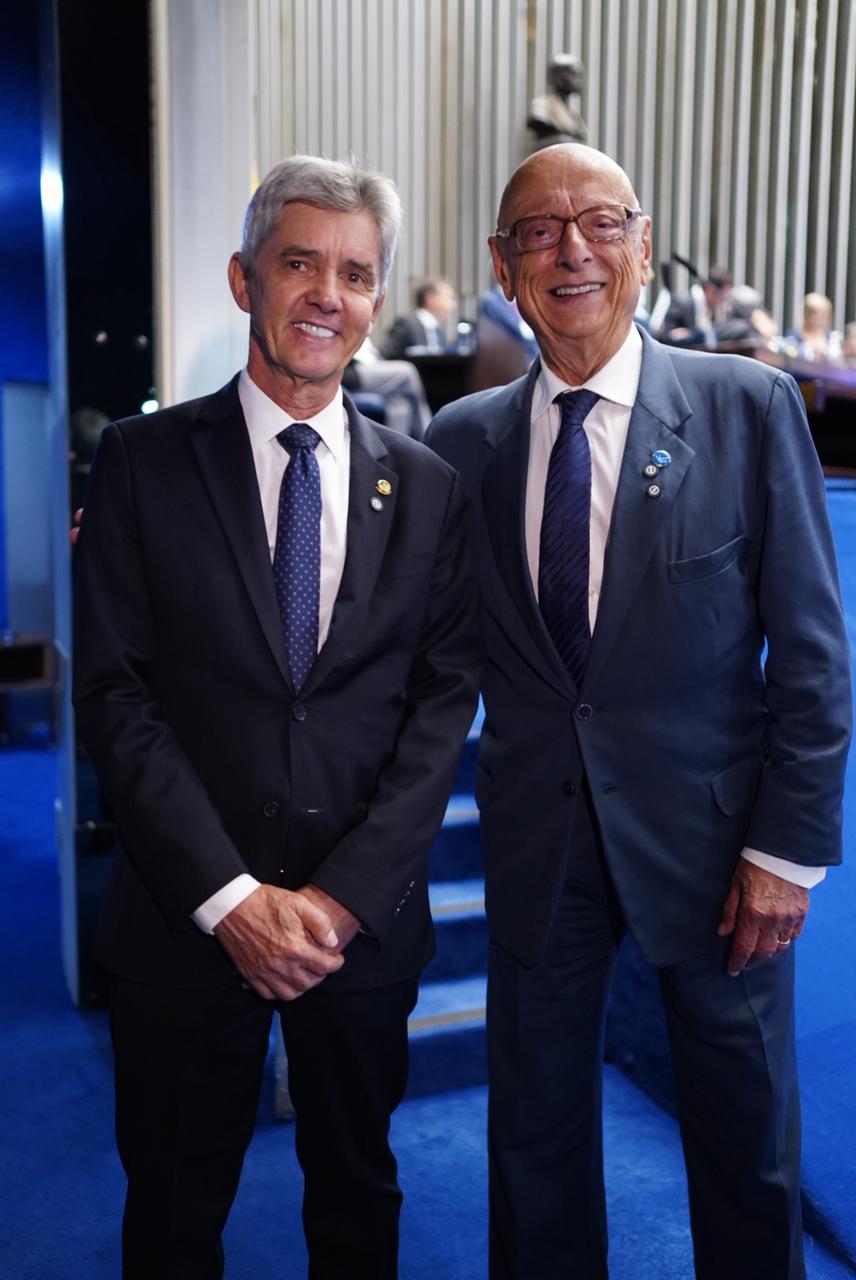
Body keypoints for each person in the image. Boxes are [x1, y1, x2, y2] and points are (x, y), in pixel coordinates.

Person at [427, 143, 851, 1280]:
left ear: (644, 245)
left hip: (721, 856)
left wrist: (785, 853)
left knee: (747, 1146)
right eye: (539, 232)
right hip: (538, 842)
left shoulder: (748, 406)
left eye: (600, 223)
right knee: (532, 1143)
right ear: (503, 266)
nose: (572, 250)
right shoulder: (459, 442)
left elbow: (814, 656)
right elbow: (395, 617)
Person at [72, 154, 481, 1280]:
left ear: (377, 297)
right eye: (300, 263)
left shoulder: (431, 489)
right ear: (243, 277)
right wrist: (232, 900)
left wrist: (341, 902)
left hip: (361, 929)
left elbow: (440, 709)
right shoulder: (141, 463)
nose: (326, 296)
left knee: (359, 1198)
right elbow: (113, 693)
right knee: (172, 1210)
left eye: (355, 273)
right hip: (184, 918)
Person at [657, 264, 733, 345]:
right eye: (722, 298)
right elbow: (664, 336)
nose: (722, 303)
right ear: (709, 289)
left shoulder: (709, 309)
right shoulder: (681, 304)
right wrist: (689, 335)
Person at [381, 277, 458, 357]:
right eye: (448, 297)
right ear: (430, 298)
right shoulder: (406, 324)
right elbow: (386, 354)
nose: (453, 305)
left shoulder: (439, 332)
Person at [527, 53, 588, 151]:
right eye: (573, 74)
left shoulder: (573, 116)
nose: (578, 80)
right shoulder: (542, 107)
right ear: (558, 77)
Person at [787, 291, 843, 362]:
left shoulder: (834, 337)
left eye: (824, 315)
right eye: (816, 316)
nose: (820, 320)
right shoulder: (793, 336)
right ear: (806, 315)